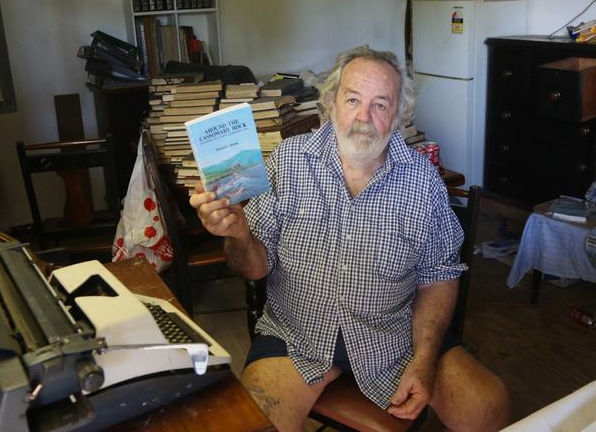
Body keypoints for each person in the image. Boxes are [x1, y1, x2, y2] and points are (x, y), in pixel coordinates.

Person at [190, 46, 511, 432]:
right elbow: (253, 269)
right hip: (297, 336)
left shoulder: (423, 182)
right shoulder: (287, 162)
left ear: (399, 114)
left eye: (381, 104)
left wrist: (424, 360)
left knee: (490, 407)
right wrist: (239, 235)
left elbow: (439, 277)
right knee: (248, 427)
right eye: (353, 99)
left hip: (394, 337)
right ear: (331, 102)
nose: (364, 118)